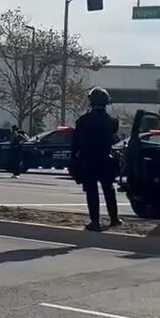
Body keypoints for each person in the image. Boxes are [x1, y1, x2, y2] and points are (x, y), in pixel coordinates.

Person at [70, 87, 120, 230]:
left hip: (89, 160)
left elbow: (76, 143)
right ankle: (114, 219)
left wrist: (74, 157)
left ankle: (95, 221)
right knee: (108, 189)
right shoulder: (112, 121)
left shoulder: (83, 121)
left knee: (92, 191)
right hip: (105, 158)